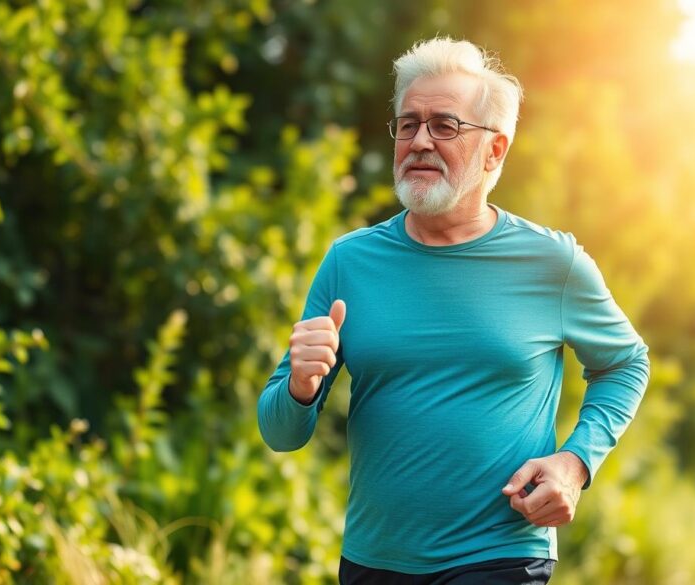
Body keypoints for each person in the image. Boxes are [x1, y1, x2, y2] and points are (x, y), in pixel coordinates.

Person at [257, 36, 650, 585]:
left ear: (494, 150)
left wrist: (575, 461)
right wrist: (300, 385)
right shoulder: (350, 261)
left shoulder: (551, 261)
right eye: (407, 124)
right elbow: (280, 433)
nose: (419, 141)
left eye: (445, 125)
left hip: (501, 554)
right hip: (374, 561)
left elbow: (626, 363)